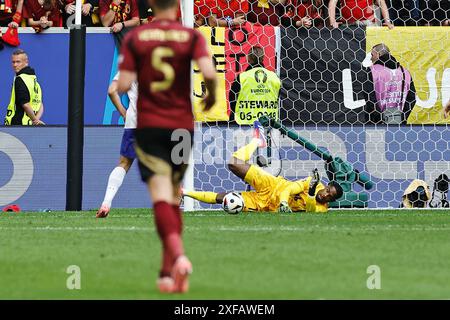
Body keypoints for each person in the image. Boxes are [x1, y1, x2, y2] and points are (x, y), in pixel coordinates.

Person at [117, 0, 217, 294]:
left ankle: (180, 258)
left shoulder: (136, 38)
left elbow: (122, 85)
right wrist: (210, 99)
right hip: (182, 126)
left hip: (150, 127)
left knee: (161, 196)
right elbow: (210, 75)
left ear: (151, 5)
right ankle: (165, 272)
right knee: (175, 195)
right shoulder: (191, 35)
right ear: (177, 7)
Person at [183, 121, 344, 213]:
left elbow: (310, 211)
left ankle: (184, 193)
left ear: (331, 201)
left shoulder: (322, 209)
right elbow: (289, 189)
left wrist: (310, 192)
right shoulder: (313, 181)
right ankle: (257, 141)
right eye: (328, 191)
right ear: (327, 186)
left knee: (224, 199)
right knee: (233, 163)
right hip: (271, 185)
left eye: (330, 197)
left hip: (265, 205)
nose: (326, 195)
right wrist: (284, 203)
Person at [96, 72, 138, 218]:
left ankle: (106, 203)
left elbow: (112, 90)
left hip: (135, 121)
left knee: (124, 163)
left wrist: (123, 112)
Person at [229, 46, 281, 125]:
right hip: (269, 124)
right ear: (263, 58)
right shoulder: (274, 77)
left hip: (244, 124)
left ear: (248, 59)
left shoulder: (242, 77)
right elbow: (277, 97)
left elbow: (232, 99)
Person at [367, 43, 415, 124]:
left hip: (376, 123)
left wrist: (379, 118)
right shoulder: (405, 72)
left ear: (378, 54)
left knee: (375, 137)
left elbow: (368, 97)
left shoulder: (372, 71)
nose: (370, 58)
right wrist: (403, 117)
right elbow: (412, 98)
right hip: (399, 122)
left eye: (372, 54)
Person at [4, 49, 45, 126]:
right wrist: (36, 120)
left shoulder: (20, 79)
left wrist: (35, 120)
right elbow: (40, 104)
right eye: (13, 62)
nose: (15, 65)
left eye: (18, 62)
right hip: (29, 125)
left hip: (17, 125)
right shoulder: (34, 81)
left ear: (26, 62)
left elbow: (25, 104)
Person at [328, 0, 394, 29]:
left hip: (368, 23)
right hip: (348, 23)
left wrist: (387, 21)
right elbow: (332, 3)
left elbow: (381, 3)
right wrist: (332, 21)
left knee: (369, 48)